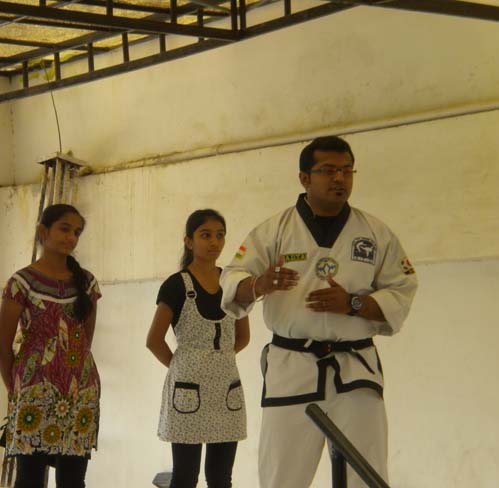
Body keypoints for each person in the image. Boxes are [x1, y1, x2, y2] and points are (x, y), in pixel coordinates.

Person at [220, 136, 418, 488]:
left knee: (365, 474)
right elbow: (232, 278)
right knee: (281, 476)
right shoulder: (273, 231)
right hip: (292, 368)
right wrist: (259, 284)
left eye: (346, 170)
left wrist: (354, 304)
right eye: (327, 170)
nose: (339, 178)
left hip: (355, 371)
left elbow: (401, 289)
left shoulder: (375, 233)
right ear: (304, 178)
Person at [0, 203, 101, 488]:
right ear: (43, 231)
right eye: (64, 229)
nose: (71, 237)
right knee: (29, 479)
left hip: (80, 392)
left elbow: (85, 342)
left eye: (76, 232)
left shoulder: (87, 283)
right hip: (33, 391)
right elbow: (2, 347)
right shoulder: (21, 282)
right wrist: (17, 388)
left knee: (73, 480)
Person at [147, 209, 249, 488]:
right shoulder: (175, 285)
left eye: (220, 235)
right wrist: (183, 365)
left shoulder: (232, 282)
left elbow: (243, 337)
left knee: (221, 479)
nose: (214, 242)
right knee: (185, 478)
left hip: (226, 388)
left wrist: (218, 360)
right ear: (189, 241)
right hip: (187, 390)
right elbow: (153, 340)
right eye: (206, 235)